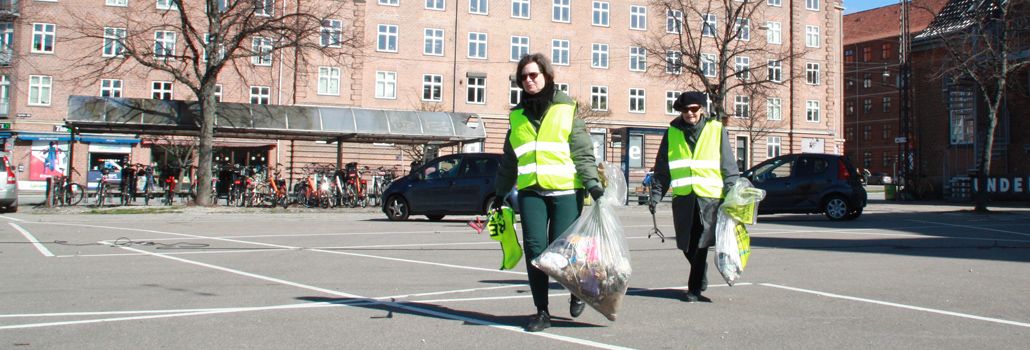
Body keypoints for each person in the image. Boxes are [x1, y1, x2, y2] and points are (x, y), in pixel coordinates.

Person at [493, 53, 604, 332]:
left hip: (566, 190)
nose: (529, 80)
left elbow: (582, 151)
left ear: (546, 76)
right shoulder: (517, 116)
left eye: (534, 75)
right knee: (535, 251)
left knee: (562, 251)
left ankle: (576, 291)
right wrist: (500, 192)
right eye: (524, 77)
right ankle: (542, 311)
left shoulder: (567, 108)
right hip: (531, 191)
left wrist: (593, 184)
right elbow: (510, 159)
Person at [649, 91, 739, 303]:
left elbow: (728, 164)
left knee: (701, 243)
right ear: (681, 111)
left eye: (694, 109)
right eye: (686, 110)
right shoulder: (672, 133)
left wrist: (732, 191)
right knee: (686, 245)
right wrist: (655, 195)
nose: (690, 113)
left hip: (710, 198)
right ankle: (701, 270)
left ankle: (694, 288)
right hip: (683, 198)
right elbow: (663, 169)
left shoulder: (716, 130)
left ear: (702, 109)